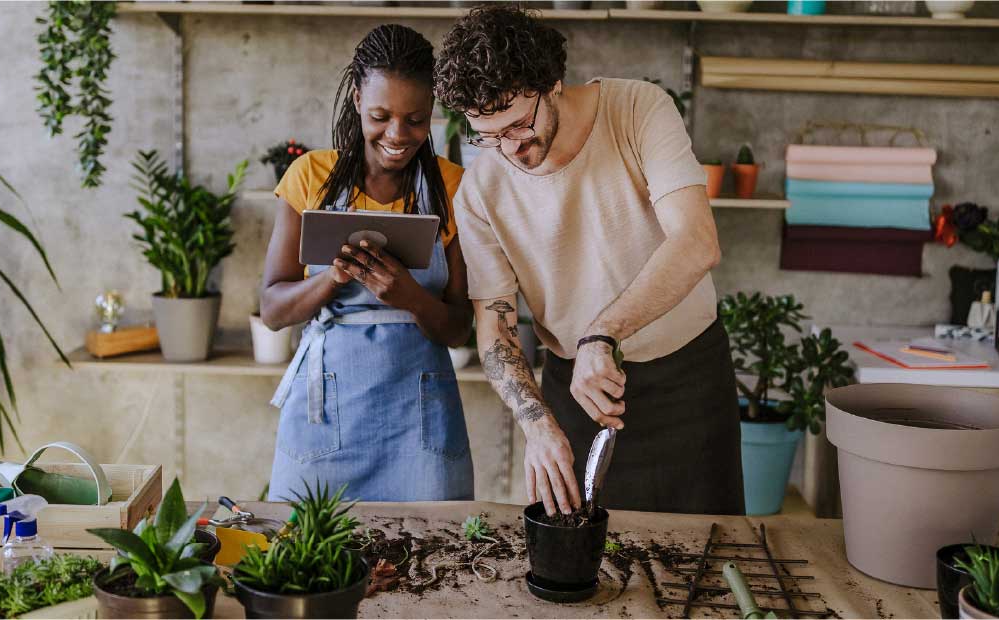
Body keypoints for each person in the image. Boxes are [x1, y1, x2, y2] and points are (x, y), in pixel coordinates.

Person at [434, 4, 743, 516]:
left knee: (704, 563)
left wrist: (603, 333)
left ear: (551, 81)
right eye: (486, 136)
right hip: (575, 396)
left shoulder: (638, 110)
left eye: (516, 126)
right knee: (584, 565)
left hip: (688, 385)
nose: (509, 149)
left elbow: (697, 241)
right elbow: (496, 328)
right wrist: (537, 423)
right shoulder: (479, 193)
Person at [261, 24, 474, 502]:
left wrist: (411, 298)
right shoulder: (310, 177)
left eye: (416, 119)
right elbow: (273, 310)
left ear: (434, 108)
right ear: (356, 99)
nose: (398, 135)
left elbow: (459, 327)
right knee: (309, 562)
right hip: (327, 422)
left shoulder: (453, 187)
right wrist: (331, 280)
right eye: (380, 115)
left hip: (418, 423)